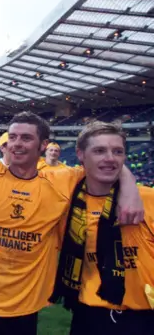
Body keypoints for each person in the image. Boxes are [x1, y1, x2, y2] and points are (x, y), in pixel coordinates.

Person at [0, 40, 143, 335]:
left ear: (43, 145)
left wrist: (130, 183)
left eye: (26, 139)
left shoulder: (62, 179)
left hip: (21, 310)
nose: (17, 144)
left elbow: (104, 158)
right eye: (14, 137)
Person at [50, 121, 154, 334]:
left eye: (118, 151)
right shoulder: (66, 198)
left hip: (143, 316)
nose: (109, 158)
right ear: (80, 155)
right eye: (99, 151)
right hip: (89, 313)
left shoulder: (148, 199)